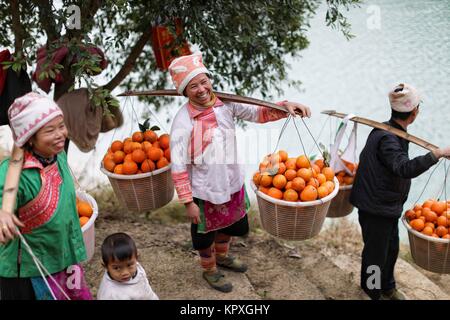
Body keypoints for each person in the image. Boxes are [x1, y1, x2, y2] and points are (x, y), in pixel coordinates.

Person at [168, 52, 311, 293]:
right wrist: (187, 201)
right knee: (204, 234)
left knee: (233, 225)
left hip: (231, 180)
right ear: (184, 91)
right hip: (204, 189)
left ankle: (222, 255)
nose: (201, 89)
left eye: (204, 82)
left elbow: (257, 112)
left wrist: (286, 107)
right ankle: (210, 269)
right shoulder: (183, 122)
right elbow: (178, 165)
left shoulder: (226, 104)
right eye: (193, 86)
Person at [350, 83, 450, 300]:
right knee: (376, 255)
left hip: (385, 205)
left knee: (391, 249)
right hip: (375, 208)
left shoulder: (391, 130)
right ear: (414, 113)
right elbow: (403, 168)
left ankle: (387, 287)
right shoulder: (387, 138)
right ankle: (372, 292)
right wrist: (437, 154)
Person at [0, 92, 92, 300]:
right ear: (30, 138)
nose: (60, 134)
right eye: (50, 130)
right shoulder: (15, 171)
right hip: (27, 270)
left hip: (62, 255)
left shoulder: (56, 154)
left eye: (61, 126)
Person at [97, 232, 159, 300]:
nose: (125, 273)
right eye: (117, 268)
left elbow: (146, 289)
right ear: (106, 266)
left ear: (136, 258)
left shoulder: (137, 267)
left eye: (129, 265)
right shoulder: (110, 294)